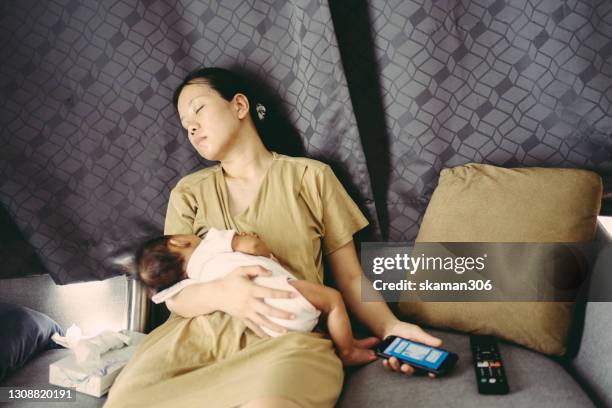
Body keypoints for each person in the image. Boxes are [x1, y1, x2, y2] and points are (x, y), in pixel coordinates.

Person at [105, 67, 442, 408]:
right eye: (184, 123)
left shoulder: (311, 177)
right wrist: (223, 293)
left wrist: (391, 327)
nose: (191, 126)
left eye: (198, 109)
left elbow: (351, 277)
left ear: (239, 105)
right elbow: (174, 296)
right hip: (193, 340)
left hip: (284, 338)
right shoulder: (189, 193)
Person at [134, 227, 377, 365]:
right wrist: (258, 243)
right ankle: (348, 350)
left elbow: (169, 298)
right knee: (333, 300)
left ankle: (339, 342)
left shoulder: (193, 280)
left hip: (266, 326)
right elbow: (252, 247)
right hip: (283, 294)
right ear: (178, 241)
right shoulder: (210, 242)